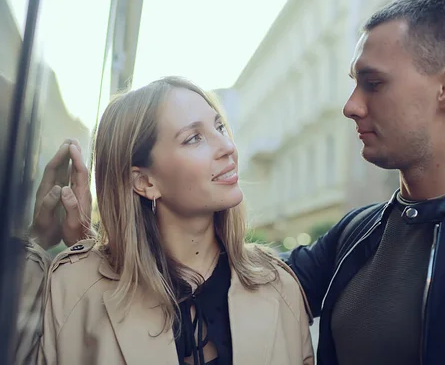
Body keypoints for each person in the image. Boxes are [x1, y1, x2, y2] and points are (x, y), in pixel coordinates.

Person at [285, 0, 445, 365]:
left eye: (373, 84)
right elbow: (239, 286)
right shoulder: (355, 233)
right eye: (355, 84)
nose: (351, 106)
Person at [38, 76, 314, 365]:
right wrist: (40, 238)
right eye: (194, 138)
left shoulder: (279, 284)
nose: (227, 147)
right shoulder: (74, 287)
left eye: (220, 126)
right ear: (144, 181)